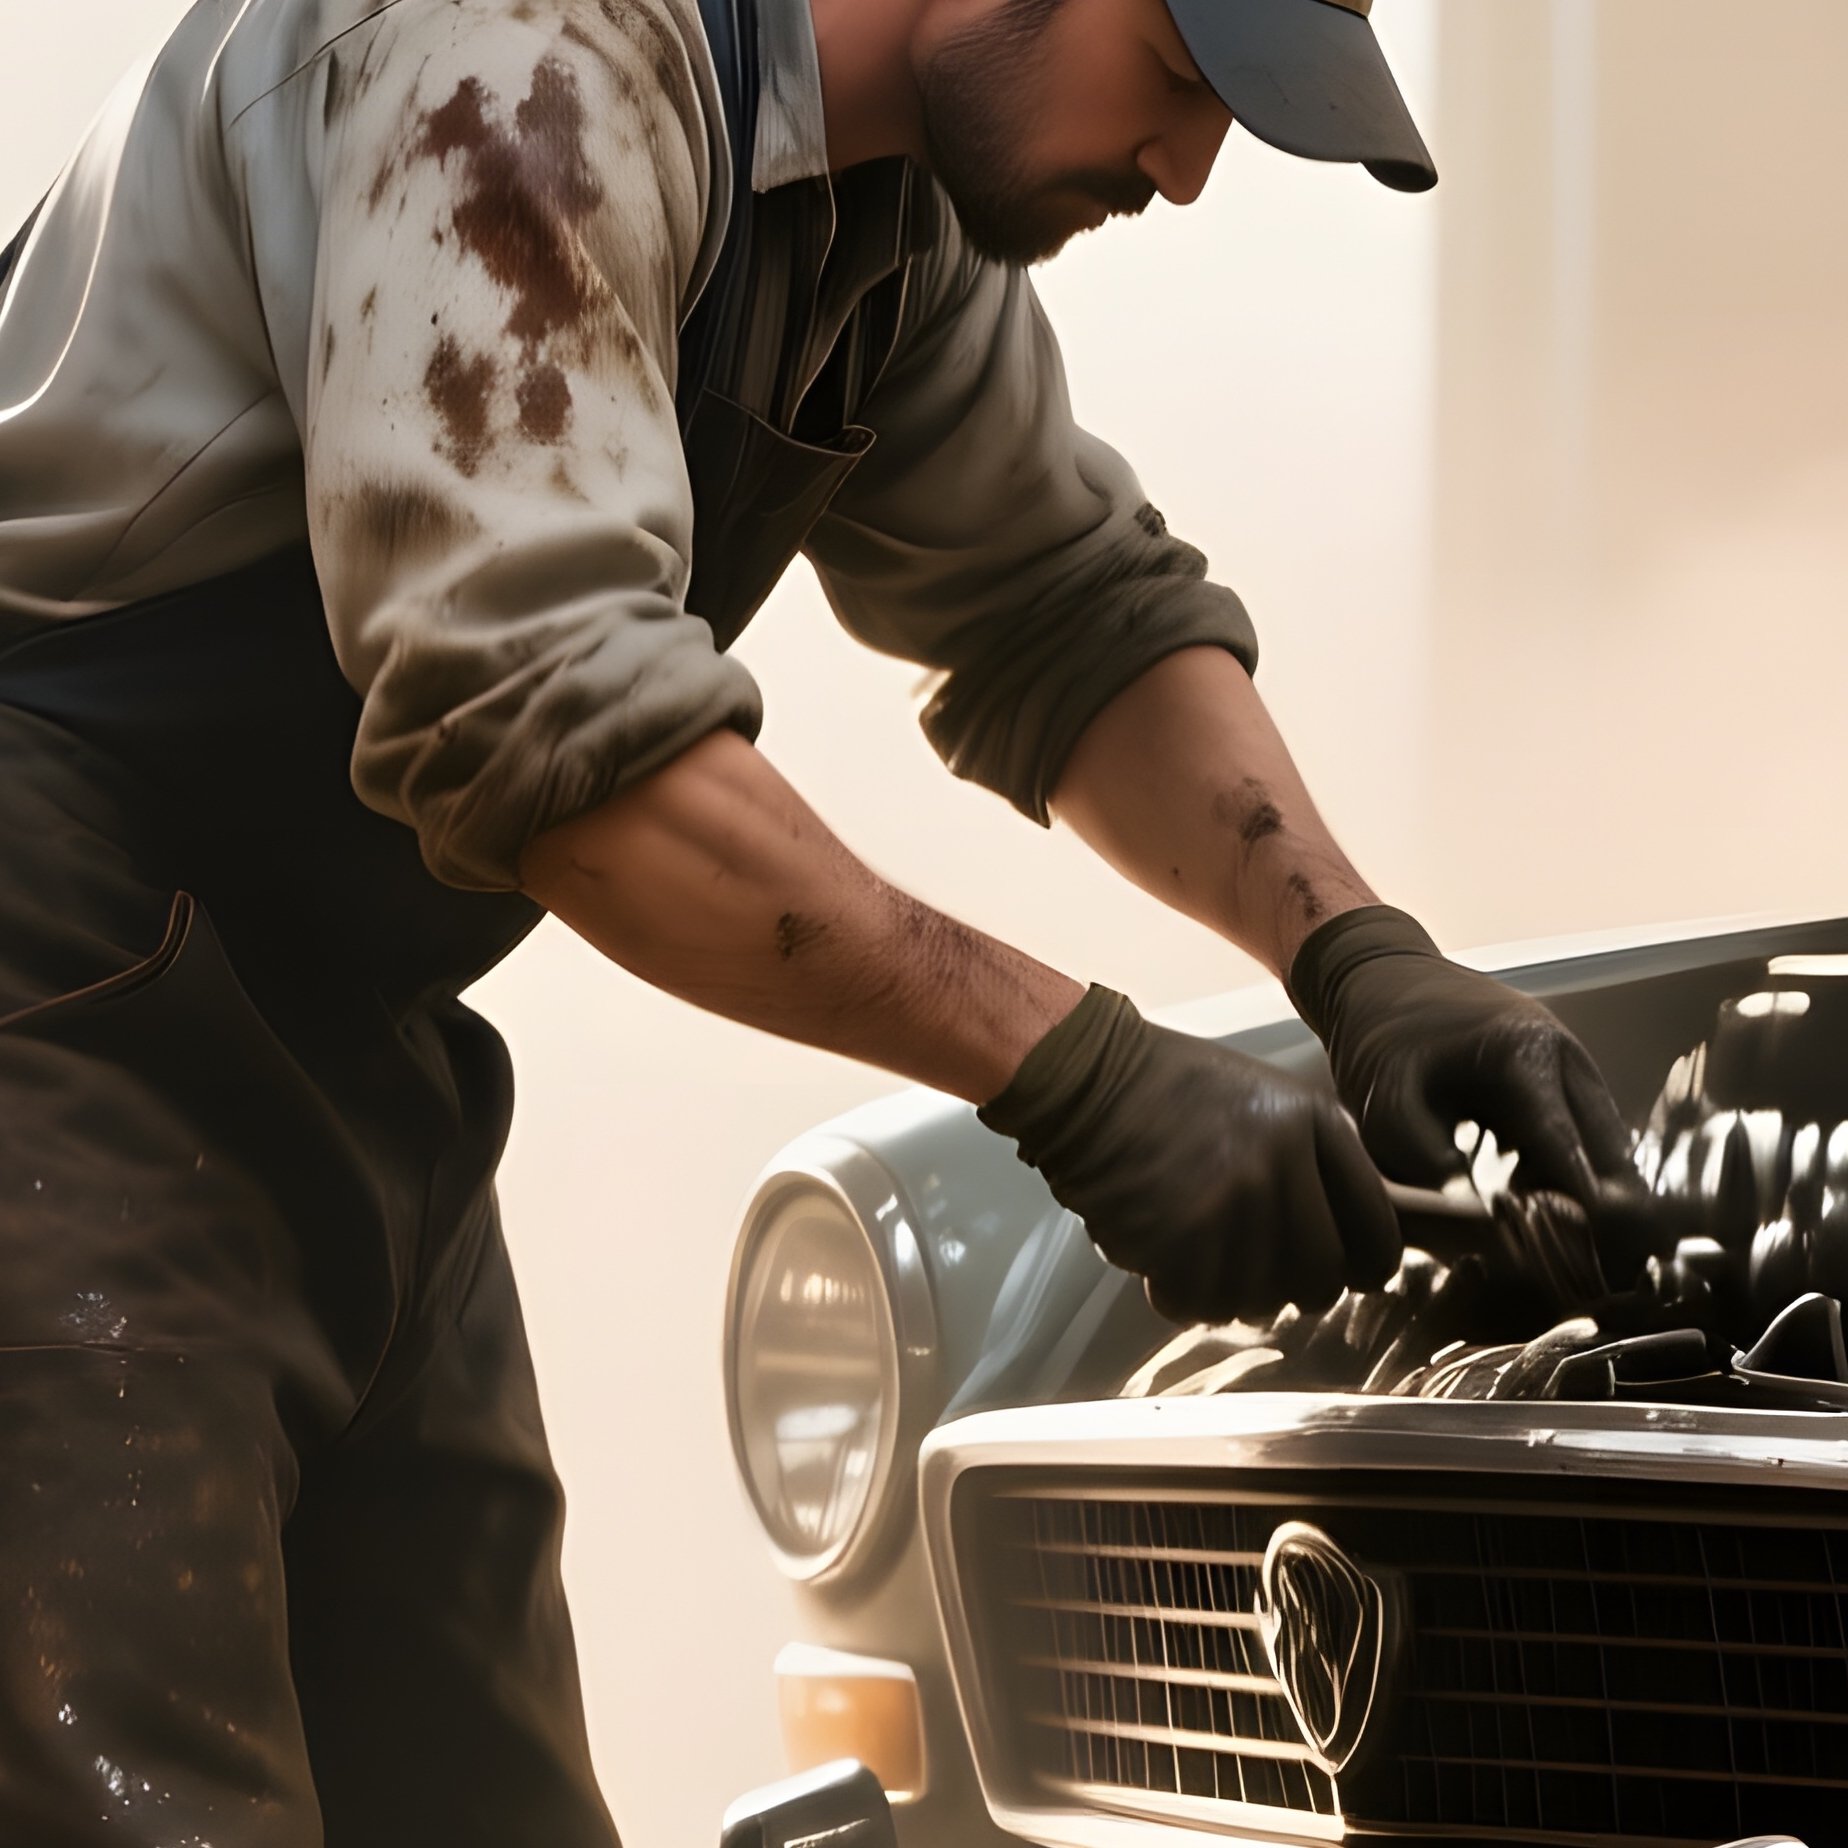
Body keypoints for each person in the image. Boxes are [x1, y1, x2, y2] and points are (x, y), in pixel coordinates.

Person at [0, 0, 1640, 1838]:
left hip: (341, 1042)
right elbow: (546, 736)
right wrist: (1086, 1081)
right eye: (1186, 80)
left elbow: (1063, 608)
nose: (1190, 172)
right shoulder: (521, 56)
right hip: (51, 1008)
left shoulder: (879, 222)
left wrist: (1360, 960)